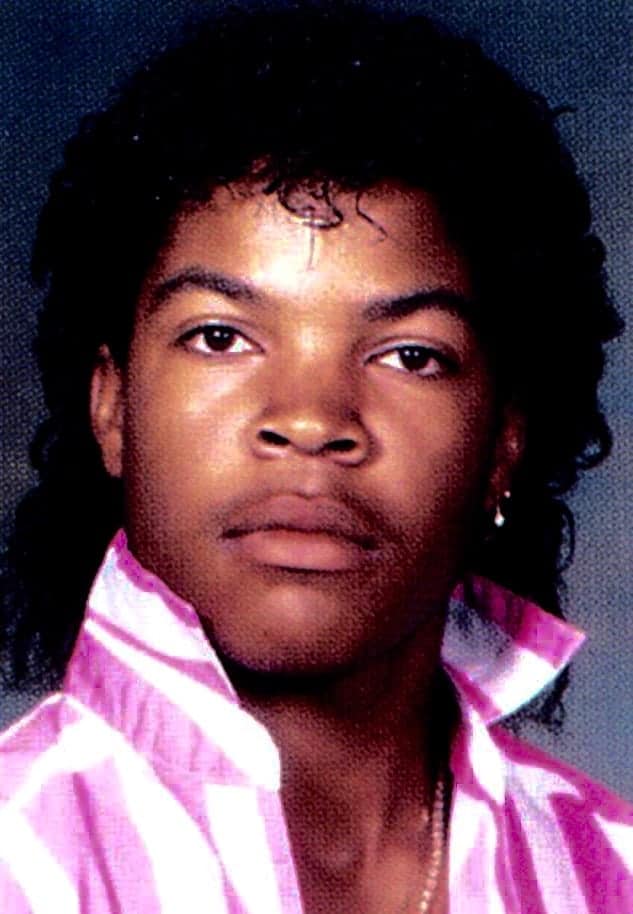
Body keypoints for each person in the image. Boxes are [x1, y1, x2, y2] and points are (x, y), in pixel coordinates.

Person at [0, 3, 631, 912]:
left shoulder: (607, 870)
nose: (309, 419)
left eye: (409, 354)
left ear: (504, 444)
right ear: (112, 407)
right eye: (220, 337)